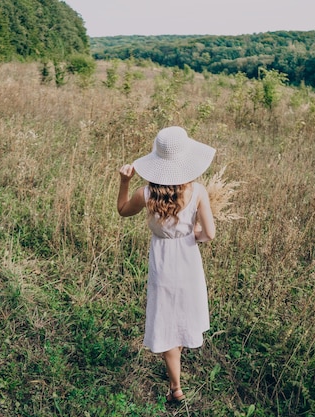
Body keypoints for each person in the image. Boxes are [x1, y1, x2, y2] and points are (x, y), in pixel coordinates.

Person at [117, 126, 216, 403]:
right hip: (187, 258)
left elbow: (122, 211)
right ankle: (177, 381)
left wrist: (124, 182)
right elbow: (209, 234)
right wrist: (190, 234)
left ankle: (176, 388)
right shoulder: (197, 192)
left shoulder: (145, 194)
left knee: (167, 318)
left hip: (161, 261)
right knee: (183, 313)